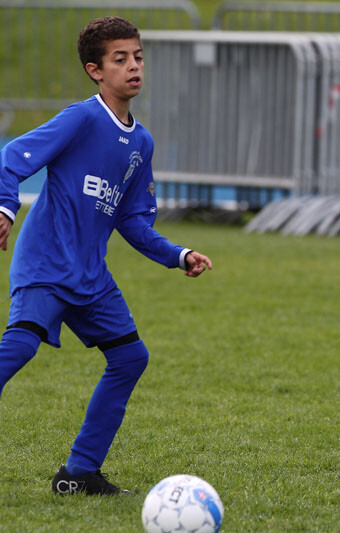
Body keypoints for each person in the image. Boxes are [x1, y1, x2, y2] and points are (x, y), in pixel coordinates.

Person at [0, 17, 212, 495]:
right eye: (121, 59)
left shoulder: (141, 143)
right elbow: (11, 158)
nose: (134, 66)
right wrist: (5, 208)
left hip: (91, 277)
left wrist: (179, 255)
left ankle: (79, 473)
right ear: (95, 70)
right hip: (47, 265)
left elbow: (134, 222)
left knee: (131, 358)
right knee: (20, 348)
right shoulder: (81, 119)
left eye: (138, 57)